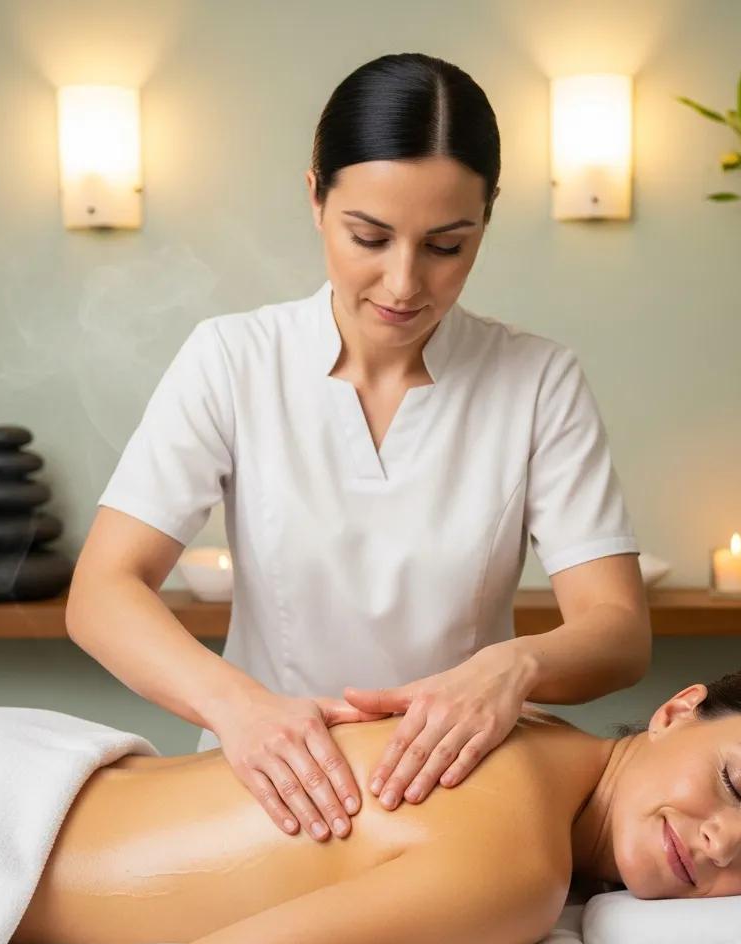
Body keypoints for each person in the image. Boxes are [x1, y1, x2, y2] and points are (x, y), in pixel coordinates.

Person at [67, 51, 651, 849]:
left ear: (488, 216)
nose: (404, 284)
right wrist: (239, 708)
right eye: (369, 237)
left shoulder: (537, 379)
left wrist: (509, 669)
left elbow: (618, 629)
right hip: (260, 787)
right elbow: (102, 592)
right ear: (316, 197)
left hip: (455, 798)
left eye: (447, 245)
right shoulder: (235, 359)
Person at [0, 662, 741, 944]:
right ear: (677, 711)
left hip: (7, 757)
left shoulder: (525, 728)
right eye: (738, 784)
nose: (722, 844)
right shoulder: (516, 874)